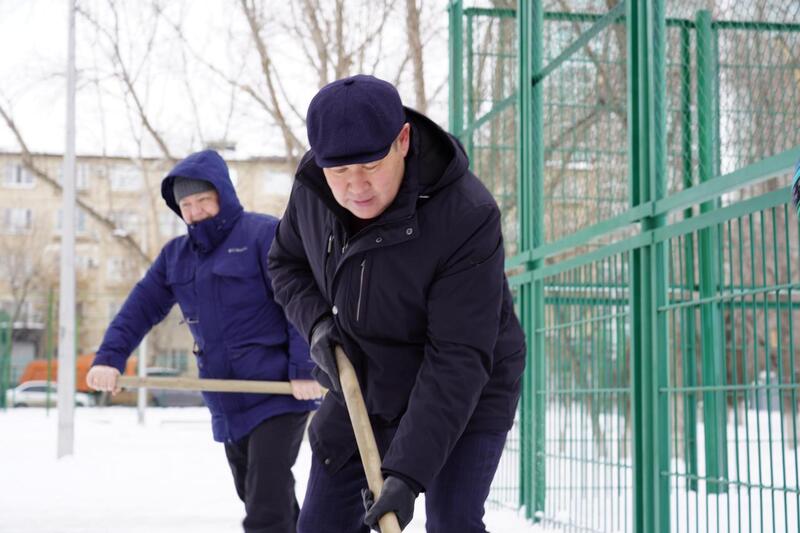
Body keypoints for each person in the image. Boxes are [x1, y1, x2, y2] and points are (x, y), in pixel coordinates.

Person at [267, 74, 526, 532]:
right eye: (340, 172)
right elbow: (286, 265)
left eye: (370, 165)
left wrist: (406, 473)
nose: (355, 187)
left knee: (451, 521)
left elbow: (457, 357)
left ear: (402, 140)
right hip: (364, 380)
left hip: (463, 388)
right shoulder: (313, 190)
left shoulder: (466, 216)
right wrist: (316, 326)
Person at [86, 150, 321, 533]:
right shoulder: (176, 257)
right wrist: (109, 359)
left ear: (223, 196)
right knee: (259, 495)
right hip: (227, 397)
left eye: (202, 201)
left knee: (265, 508)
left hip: (280, 392)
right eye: (187, 205)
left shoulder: (263, 235)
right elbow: (139, 308)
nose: (194, 212)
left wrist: (304, 368)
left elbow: (298, 301)